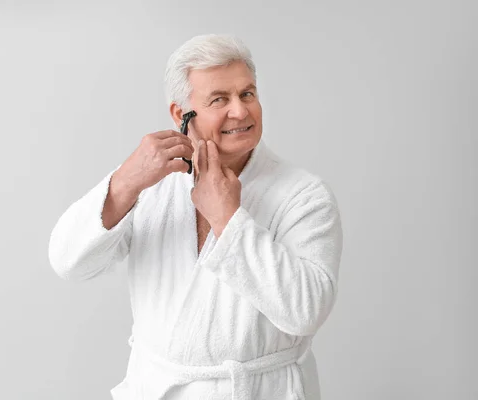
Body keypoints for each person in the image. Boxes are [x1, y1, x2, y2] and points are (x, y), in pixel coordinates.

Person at [48, 34, 343, 400]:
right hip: (155, 389)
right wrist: (124, 182)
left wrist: (228, 218)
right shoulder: (150, 184)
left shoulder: (304, 195)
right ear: (180, 114)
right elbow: (68, 263)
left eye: (247, 94)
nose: (240, 111)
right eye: (220, 99)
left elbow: (306, 312)